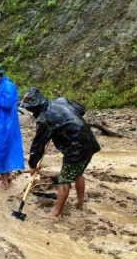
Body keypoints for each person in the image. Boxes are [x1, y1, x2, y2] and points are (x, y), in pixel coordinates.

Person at [21, 87, 101, 218]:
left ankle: (56, 212)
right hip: (89, 141)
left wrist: (32, 165)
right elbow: (81, 109)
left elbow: (37, 146)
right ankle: (80, 203)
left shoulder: (44, 120)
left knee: (64, 179)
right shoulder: (61, 101)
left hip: (76, 148)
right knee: (78, 173)